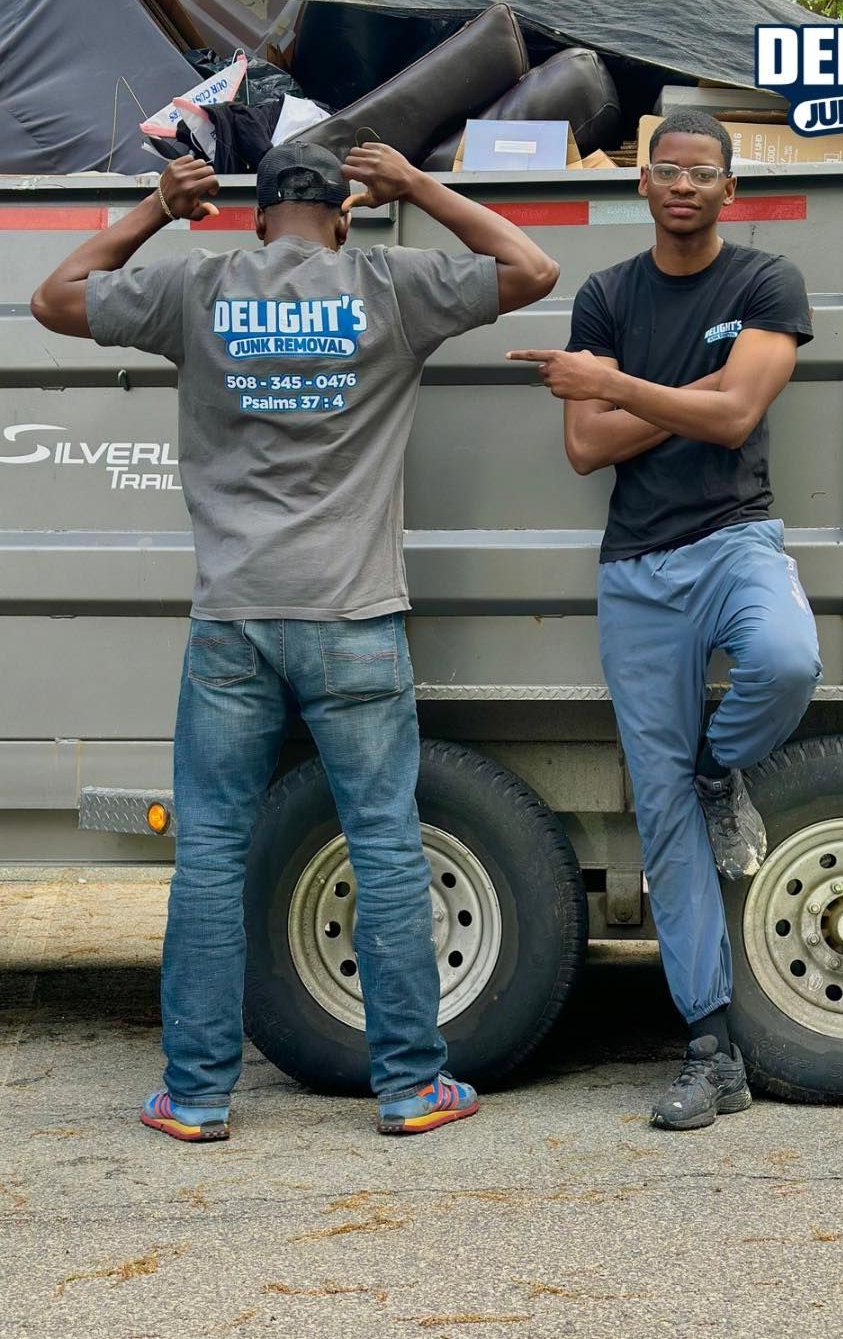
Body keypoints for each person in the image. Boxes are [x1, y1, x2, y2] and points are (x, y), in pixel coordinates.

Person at [32, 141, 558, 1142]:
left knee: (213, 861)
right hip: (355, 619)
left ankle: (193, 1098)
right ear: (346, 216)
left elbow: (57, 297)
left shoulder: (199, 288)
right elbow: (533, 270)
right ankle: (409, 1088)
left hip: (232, 622)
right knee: (389, 854)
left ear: (261, 217)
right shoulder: (390, 286)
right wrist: (420, 187)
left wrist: (157, 206)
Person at [508, 112, 820, 1131]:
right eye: (666, 170)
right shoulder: (604, 294)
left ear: (730, 190)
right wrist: (680, 395)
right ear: (642, 185)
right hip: (637, 574)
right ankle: (710, 1048)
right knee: (667, 826)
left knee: (785, 661)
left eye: (703, 173)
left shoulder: (766, 284)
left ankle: (717, 763)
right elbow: (584, 450)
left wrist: (618, 387)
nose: (683, 185)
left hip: (738, 539)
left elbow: (735, 420)